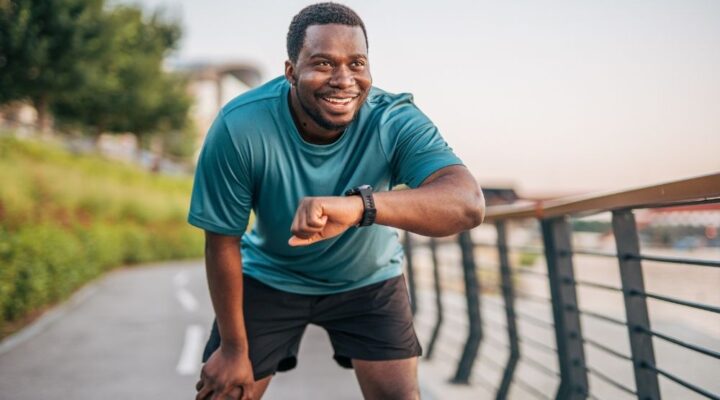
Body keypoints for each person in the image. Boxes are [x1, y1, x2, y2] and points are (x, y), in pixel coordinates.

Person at [188, 3, 485, 399]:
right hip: (271, 276)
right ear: (291, 71)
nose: (344, 80)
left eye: (357, 63)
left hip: (369, 280)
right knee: (227, 390)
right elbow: (222, 240)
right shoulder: (240, 126)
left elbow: (467, 204)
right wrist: (233, 348)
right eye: (324, 64)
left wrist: (360, 207)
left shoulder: (393, 119)